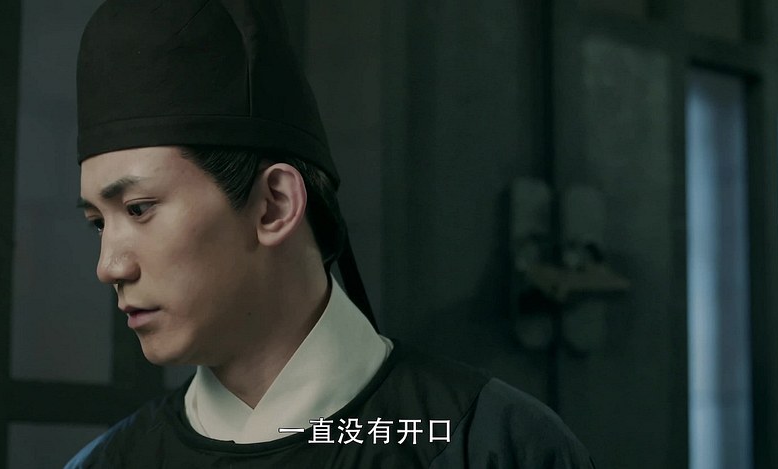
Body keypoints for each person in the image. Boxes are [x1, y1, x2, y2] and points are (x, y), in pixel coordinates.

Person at [65, 0, 596, 467]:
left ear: (274, 205)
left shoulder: (489, 445)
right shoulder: (108, 463)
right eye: (98, 223)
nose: (109, 266)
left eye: (138, 208)